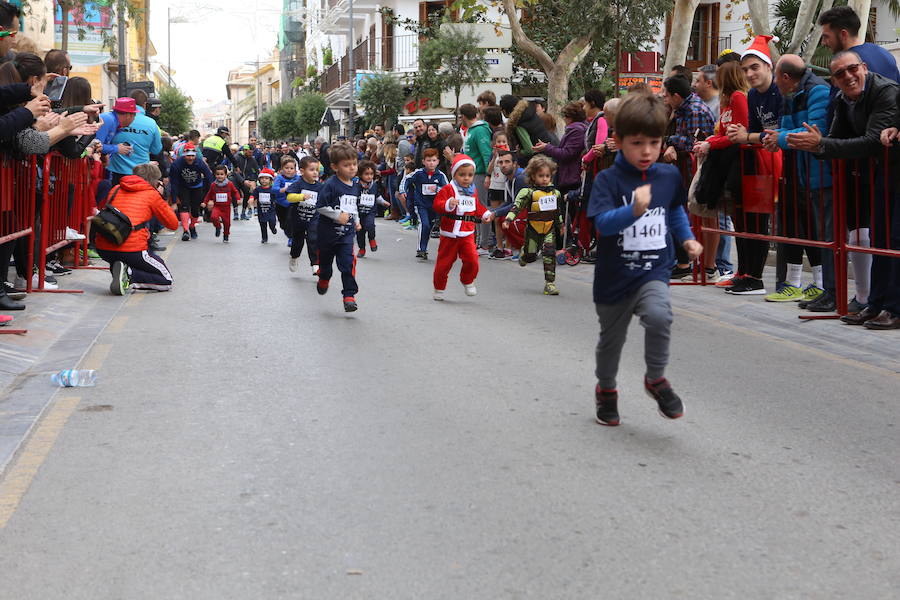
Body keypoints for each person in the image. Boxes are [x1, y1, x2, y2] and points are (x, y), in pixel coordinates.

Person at [586, 92, 702, 426]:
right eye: (638, 143)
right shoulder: (608, 180)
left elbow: (675, 210)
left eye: (654, 141)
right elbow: (603, 226)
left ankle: (655, 378)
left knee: (659, 316)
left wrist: (687, 239)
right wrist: (632, 211)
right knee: (612, 342)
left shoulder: (667, 176)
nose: (648, 151)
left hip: (653, 270)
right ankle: (606, 390)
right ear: (618, 141)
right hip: (614, 277)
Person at [794, 51, 900, 327]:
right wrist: (818, 144)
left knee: (895, 240)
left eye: (852, 69)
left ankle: (895, 308)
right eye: (840, 74)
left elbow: (870, 142)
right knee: (881, 240)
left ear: (864, 67)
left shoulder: (886, 91)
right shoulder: (842, 99)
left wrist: (822, 145)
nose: (848, 76)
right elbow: (836, 140)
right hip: (881, 174)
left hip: (891, 171)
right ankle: (875, 303)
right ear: (835, 80)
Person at [762, 54, 833, 311]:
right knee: (799, 227)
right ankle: (800, 284)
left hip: (820, 173)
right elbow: (785, 129)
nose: (774, 85)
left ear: (785, 77)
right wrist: (776, 138)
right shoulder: (790, 94)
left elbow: (813, 132)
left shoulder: (818, 92)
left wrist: (778, 139)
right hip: (800, 173)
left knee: (822, 232)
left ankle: (826, 287)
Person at [724, 35, 785, 298]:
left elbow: (776, 133)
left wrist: (747, 137)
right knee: (747, 221)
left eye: (755, 67)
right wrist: (748, 135)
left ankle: (756, 276)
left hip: (775, 165)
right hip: (756, 163)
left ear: (769, 67)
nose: (749, 74)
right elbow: (756, 131)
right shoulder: (751, 96)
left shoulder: (780, 93)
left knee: (759, 222)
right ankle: (746, 273)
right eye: (745, 69)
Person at [691, 61, 749, 285]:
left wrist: (711, 145)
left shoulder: (738, 98)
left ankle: (727, 267)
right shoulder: (726, 102)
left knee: (729, 219)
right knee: (718, 215)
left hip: (734, 163)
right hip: (722, 163)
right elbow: (723, 132)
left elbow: (739, 132)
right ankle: (722, 267)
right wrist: (708, 142)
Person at [661, 75, 716, 278]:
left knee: (704, 220)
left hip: (697, 173)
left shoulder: (695, 111)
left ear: (676, 96)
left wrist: (672, 141)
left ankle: (707, 266)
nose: (664, 99)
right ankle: (684, 263)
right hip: (682, 172)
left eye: (666, 95)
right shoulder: (681, 110)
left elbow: (695, 142)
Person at [95, 163, 178, 295]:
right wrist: (160, 196)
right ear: (155, 181)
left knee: (154, 260)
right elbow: (173, 224)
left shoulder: (116, 188)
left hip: (104, 245)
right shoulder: (152, 194)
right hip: (132, 248)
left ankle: (121, 270)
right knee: (166, 280)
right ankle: (129, 275)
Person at [431, 154, 493, 300]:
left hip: (467, 233)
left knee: (472, 259)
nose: (466, 178)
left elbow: (477, 207)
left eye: (470, 175)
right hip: (449, 234)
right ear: (454, 174)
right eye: (462, 175)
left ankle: (467, 280)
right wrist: (448, 204)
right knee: (444, 263)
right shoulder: (447, 189)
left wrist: (485, 214)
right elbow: (437, 205)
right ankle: (439, 288)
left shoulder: (473, 191)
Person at [503, 155, 564, 295]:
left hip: (549, 229)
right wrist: (508, 220)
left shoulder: (556, 193)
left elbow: (557, 211)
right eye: (541, 175)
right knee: (531, 256)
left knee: (549, 254)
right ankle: (524, 254)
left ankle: (550, 283)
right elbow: (516, 207)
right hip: (533, 230)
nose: (544, 179)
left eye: (547, 175)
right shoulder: (527, 193)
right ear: (533, 176)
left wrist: (560, 225)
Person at [314, 143, 362, 312]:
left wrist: (356, 220)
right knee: (326, 267)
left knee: (348, 264)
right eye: (346, 165)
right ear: (335, 167)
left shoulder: (356, 185)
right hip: (327, 235)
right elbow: (320, 206)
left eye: (354, 164)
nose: (352, 168)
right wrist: (336, 215)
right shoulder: (330, 185)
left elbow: (353, 206)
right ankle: (324, 278)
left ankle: (349, 295)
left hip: (346, 235)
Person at [817, 6, 900, 83]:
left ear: (843, 34)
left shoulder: (845, 67)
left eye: (826, 37)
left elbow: (838, 98)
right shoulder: (884, 53)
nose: (823, 42)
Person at [96, 97, 162, 185]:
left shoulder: (115, 122)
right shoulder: (108, 120)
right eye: (134, 115)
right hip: (126, 173)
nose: (134, 119)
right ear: (128, 115)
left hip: (117, 171)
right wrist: (116, 149)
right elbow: (95, 145)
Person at [533, 101, 587, 195]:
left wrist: (547, 147)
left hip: (571, 176)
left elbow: (567, 153)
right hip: (569, 175)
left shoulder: (576, 130)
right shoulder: (576, 129)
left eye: (565, 116)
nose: (564, 119)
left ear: (570, 117)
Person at [404, 148, 449, 260]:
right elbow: (406, 180)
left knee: (429, 226)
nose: (431, 163)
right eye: (428, 160)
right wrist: (403, 191)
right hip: (421, 204)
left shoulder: (440, 175)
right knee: (425, 224)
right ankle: (421, 249)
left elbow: (447, 189)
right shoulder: (418, 173)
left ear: (438, 161)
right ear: (424, 161)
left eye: (433, 160)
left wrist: (439, 190)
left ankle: (424, 247)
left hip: (434, 206)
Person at [460, 103, 493, 251]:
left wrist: (488, 174)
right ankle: (479, 240)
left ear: (463, 116)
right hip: (473, 173)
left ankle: (484, 243)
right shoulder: (471, 131)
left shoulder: (480, 130)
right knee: (474, 208)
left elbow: (486, 153)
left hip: (480, 174)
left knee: (482, 207)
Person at [168, 143, 213, 241]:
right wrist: (174, 201)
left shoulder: (199, 162)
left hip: (197, 187)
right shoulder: (177, 164)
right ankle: (185, 230)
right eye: (188, 156)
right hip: (183, 187)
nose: (190, 158)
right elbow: (174, 183)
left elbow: (209, 177)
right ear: (184, 155)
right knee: (184, 207)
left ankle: (192, 227)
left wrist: (210, 197)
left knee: (195, 210)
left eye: (193, 156)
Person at [286, 155, 322, 276]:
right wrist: (300, 197)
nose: (315, 172)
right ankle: (294, 257)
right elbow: (289, 197)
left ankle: (315, 265)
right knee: (298, 242)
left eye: (316, 170)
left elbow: (324, 200)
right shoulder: (298, 184)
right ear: (302, 171)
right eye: (311, 170)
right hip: (298, 219)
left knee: (314, 240)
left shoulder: (320, 186)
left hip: (314, 219)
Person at [500, 94, 558, 167]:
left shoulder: (519, 123)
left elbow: (529, 150)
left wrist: (520, 152)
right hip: (550, 154)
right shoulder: (529, 113)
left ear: (505, 110)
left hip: (540, 161)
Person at [355, 160, 389, 258]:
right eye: (366, 174)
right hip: (359, 212)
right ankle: (362, 248)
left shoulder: (374, 184)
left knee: (370, 226)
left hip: (370, 211)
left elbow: (377, 196)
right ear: (360, 174)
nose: (369, 176)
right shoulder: (356, 184)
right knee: (360, 232)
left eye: (371, 174)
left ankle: (372, 239)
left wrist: (383, 202)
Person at [485, 130, 511, 258]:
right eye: (499, 142)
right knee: (496, 217)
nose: (501, 144)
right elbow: (488, 170)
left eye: (504, 142)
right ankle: (499, 245)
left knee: (507, 216)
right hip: (495, 187)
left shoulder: (510, 155)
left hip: (506, 188)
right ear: (494, 143)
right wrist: (495, 157)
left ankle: (509, 246)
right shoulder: (493, 155)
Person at [203, 165, 241, 242]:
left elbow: (235, 192)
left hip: (226, 207)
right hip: (217, 206)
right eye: (217, 174)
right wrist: (205, 202)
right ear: (215, 175)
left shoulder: (229, 184)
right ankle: (218, 227)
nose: (219, 176)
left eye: (221, 174)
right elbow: (209, 194)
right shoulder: (213, 185)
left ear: (225, 175)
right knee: (213, 217)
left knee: (227, 223)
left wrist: (238, 199)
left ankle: (226, 235)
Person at [273, 155, 300, 244]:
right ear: (282, 169)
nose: (289, 170)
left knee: (290, 221)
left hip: (292, 204)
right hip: (280, 204)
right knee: (283, 224)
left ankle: (291, 238)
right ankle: (289, 234)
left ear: (295, 170)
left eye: (291, 168)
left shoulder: (298, 179)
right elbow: (273, 189)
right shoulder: (279, 178)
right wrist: (282, 190)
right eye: (286, 168)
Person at [252, 168, 278, 243]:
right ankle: (264, 238)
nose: (264, 180)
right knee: (263, 225)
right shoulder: (258, 189)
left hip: (271, 210)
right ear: (259, 180)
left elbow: (277, 197)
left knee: (272, 222)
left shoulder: (272, 189)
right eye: (262, 178)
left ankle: (273, 228)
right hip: (261, 211)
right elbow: (253, 195)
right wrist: (251, 199)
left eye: (266, 178)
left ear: (270, 180)